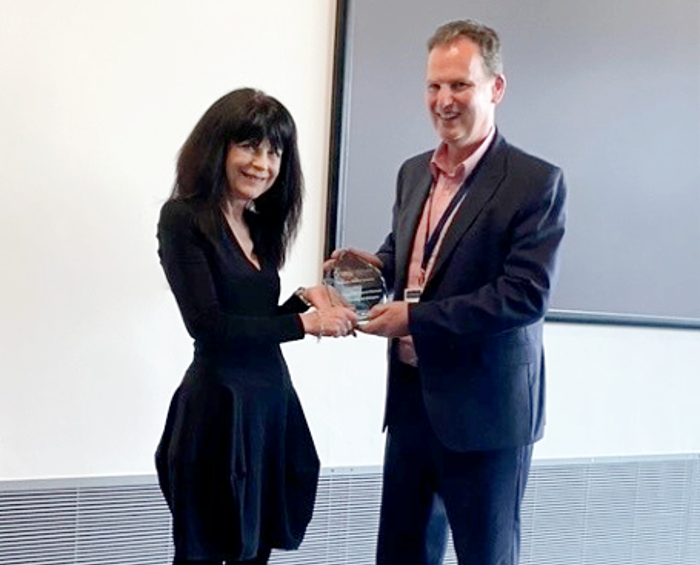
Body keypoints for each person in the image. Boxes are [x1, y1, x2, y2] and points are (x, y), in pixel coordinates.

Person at [329, 19, 567, 565]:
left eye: (459, 85)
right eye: (434, 86)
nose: (444, 100)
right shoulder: (414, 173)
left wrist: (413, 319)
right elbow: (405, 262)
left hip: (488, 415)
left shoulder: (536, 181)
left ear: (495, 89)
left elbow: (524, 296)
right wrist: (360, 271)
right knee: (401, 555)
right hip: (413, 401)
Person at [155, 88, 357, 565]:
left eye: (274, 151)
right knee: (203, 549)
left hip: (269, 405)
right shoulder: (183, 218)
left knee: (257, 548)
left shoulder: (260, 225)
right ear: (218, 147)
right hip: (218, 408)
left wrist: (301, 301)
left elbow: (254, 319)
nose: (261, 163)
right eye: (248, 146)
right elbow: (209, 327)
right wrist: (307, 324)